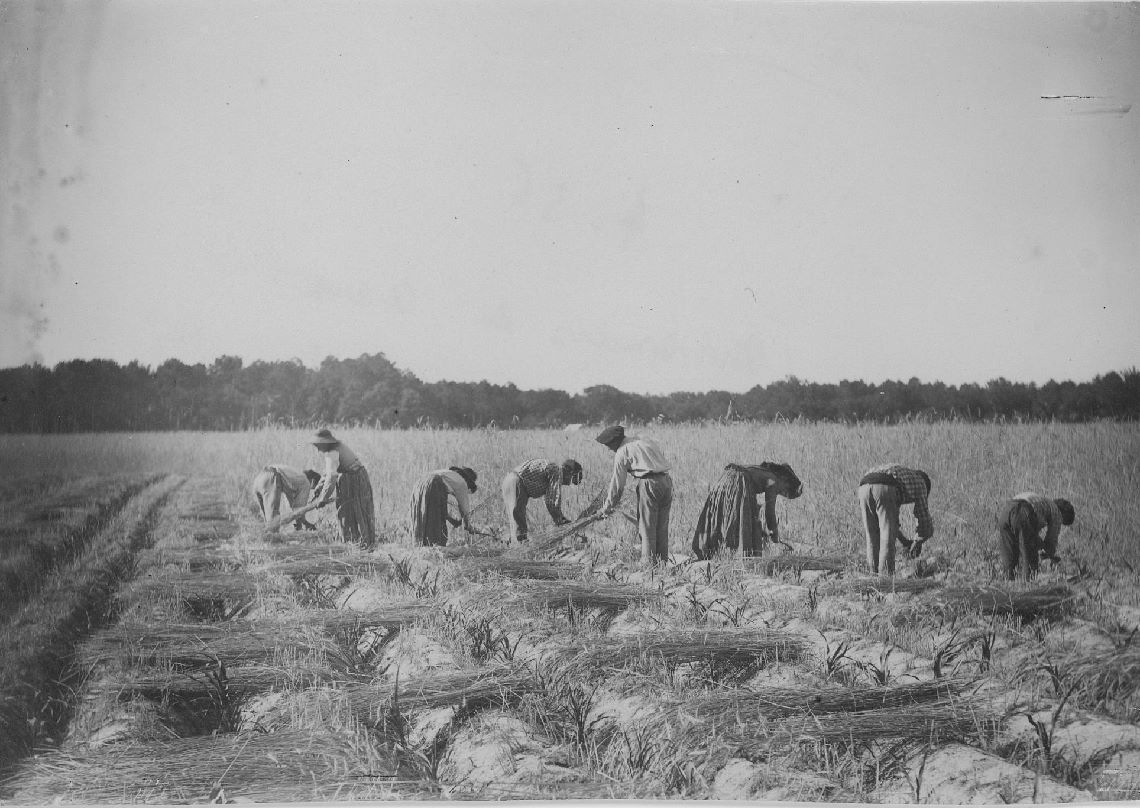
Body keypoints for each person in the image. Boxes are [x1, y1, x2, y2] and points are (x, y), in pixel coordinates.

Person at [692, 462, 803, 559]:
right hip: (739, 483)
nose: (779, 492)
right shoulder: (772, 480)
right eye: (784, 491)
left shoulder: (761, 471)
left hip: (724, 480)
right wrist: (775, 536)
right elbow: (770, 513)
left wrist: (764, 531)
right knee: (744, 523)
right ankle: (744, 558)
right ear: (784, 479)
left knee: (720, 519)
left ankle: (709, 552)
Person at [596, 425, 673, 564]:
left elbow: (617, 485)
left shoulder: (621, 451)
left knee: (647, 527)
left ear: (615, 441)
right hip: (666, 482)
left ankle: (648, 565)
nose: (608, 448)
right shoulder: (643, 440)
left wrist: (608, 507)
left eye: (608, 445)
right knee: (661, 526)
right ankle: (662, 563)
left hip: (649, 483)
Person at [857, 463, 933, 576]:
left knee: (872, 536)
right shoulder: (921, 482)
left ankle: (872, 577)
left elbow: (892, 523)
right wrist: (917, 543)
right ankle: (885, 581)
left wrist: (905, 541)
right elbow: (925, 523)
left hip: (863, 488)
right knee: (887, 538)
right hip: (884, 486)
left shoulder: (902, 477)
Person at [311, 428, 377, 549]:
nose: (318, 449)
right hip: (355, 477)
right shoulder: (335, 449)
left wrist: (323, 499)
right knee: (352, 512)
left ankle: (358, 545)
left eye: (318, 445)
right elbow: (327, 473)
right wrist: (319, 487)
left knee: (350, 513)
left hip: (354, 481)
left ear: (325, 443)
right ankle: (359, 544)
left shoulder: (332, 452)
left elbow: (332, 477)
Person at [501, 458, 584, 543]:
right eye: (572, 479)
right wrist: (561, 520)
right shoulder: (557, 471)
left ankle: (510, 545)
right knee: (518, 522)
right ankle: (520, 550)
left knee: (515, 522)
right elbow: (551, 501)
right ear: (568, 472)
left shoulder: (553, 472)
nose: (569, 483)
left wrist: (559, 518)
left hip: (511, 482)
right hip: (516, 483)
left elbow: (549, 498)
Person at [996, 493, 1075, 581]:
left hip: (1006, 511)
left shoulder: (1042, 503)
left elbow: (1031, 534)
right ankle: (1029, 588)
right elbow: (1051, 539)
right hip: (1022, 510)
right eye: (1062, 522)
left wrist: (1041, 545)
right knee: (1030, 557)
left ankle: (1008, 585)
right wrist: (1050, 554)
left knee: (1009, 554)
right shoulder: (1056, 511)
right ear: (1063, 514)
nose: (1060, 522)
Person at [409, 466, 478, 546]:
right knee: (437, 529)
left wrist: (451, 520)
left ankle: (421, 548)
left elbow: (438, 507)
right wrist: (468, 526)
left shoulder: (450, 475)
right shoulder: (462, 483)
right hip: (433, 483)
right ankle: (433, 549)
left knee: (421, 517)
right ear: (469, 480)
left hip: (419, 484)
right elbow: (465, 509)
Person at [251, 465, 322, 531]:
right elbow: (299, 510)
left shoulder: (295, 477)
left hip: (260, 478)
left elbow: (291, 507)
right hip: (272, 477)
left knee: (266, 520)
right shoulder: (305, 482)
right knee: (273, 520)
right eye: (313, 488)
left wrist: (299, 524)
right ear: (312, 481)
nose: (310, 490)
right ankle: (274, 541)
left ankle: (265, 540)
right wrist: (307, 524)